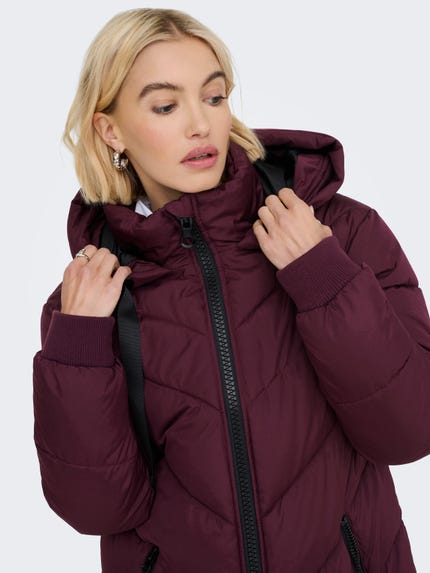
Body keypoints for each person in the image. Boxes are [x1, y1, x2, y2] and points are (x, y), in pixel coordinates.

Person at [32, 8, 430, 573]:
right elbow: (94, 509)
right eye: (166, 106)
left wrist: (323, 278)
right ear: (111, 130)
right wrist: (78, 348)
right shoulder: (90, 301)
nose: (200, 124)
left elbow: (410, 431)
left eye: (214, 97)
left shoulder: (338, 233)